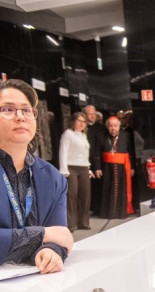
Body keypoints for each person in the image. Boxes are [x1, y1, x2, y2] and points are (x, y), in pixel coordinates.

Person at [0, 79, 73, 273]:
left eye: (26, 110)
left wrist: (51, 250)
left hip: (36, 283)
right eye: (8, 109)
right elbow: (50, 233)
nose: (20, 117)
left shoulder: (53, 178)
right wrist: (41, 234)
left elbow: (59, 235)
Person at [93, 115, 135, 219]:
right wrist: (97, 168)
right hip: (107, 168)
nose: (113, 128)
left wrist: (132, 167)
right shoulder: (100, 136)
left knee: (122, 190)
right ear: (107, 126)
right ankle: (108, 213)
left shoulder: (126, 136)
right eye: (111, 126)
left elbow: (131, 153)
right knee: (107, 189)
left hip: (122, 168)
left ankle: (121, 212)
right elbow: (97, 153)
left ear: (119, 126)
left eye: (115, 126)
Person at [58, 111, 93, 231]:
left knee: (85, 195)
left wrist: (88, 168)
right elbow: (63, 152)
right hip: (71, 167)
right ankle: (71, 223)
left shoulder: (83, 135)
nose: (82, 123)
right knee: (71, 195)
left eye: (84, 121)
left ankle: (83, 222)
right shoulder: (68, 134)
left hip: (84, 167)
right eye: (79, 121)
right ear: (73, 121)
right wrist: (63, 170)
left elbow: (85, 154)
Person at [83, 104, 107, 214]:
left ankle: (98, 208)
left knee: (99, 185)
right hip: (85, 160)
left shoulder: (101, 127)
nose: (93, 116)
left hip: (99, 160)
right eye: (90, 114)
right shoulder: (82, 127)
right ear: (85, 115)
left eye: (94, 114)